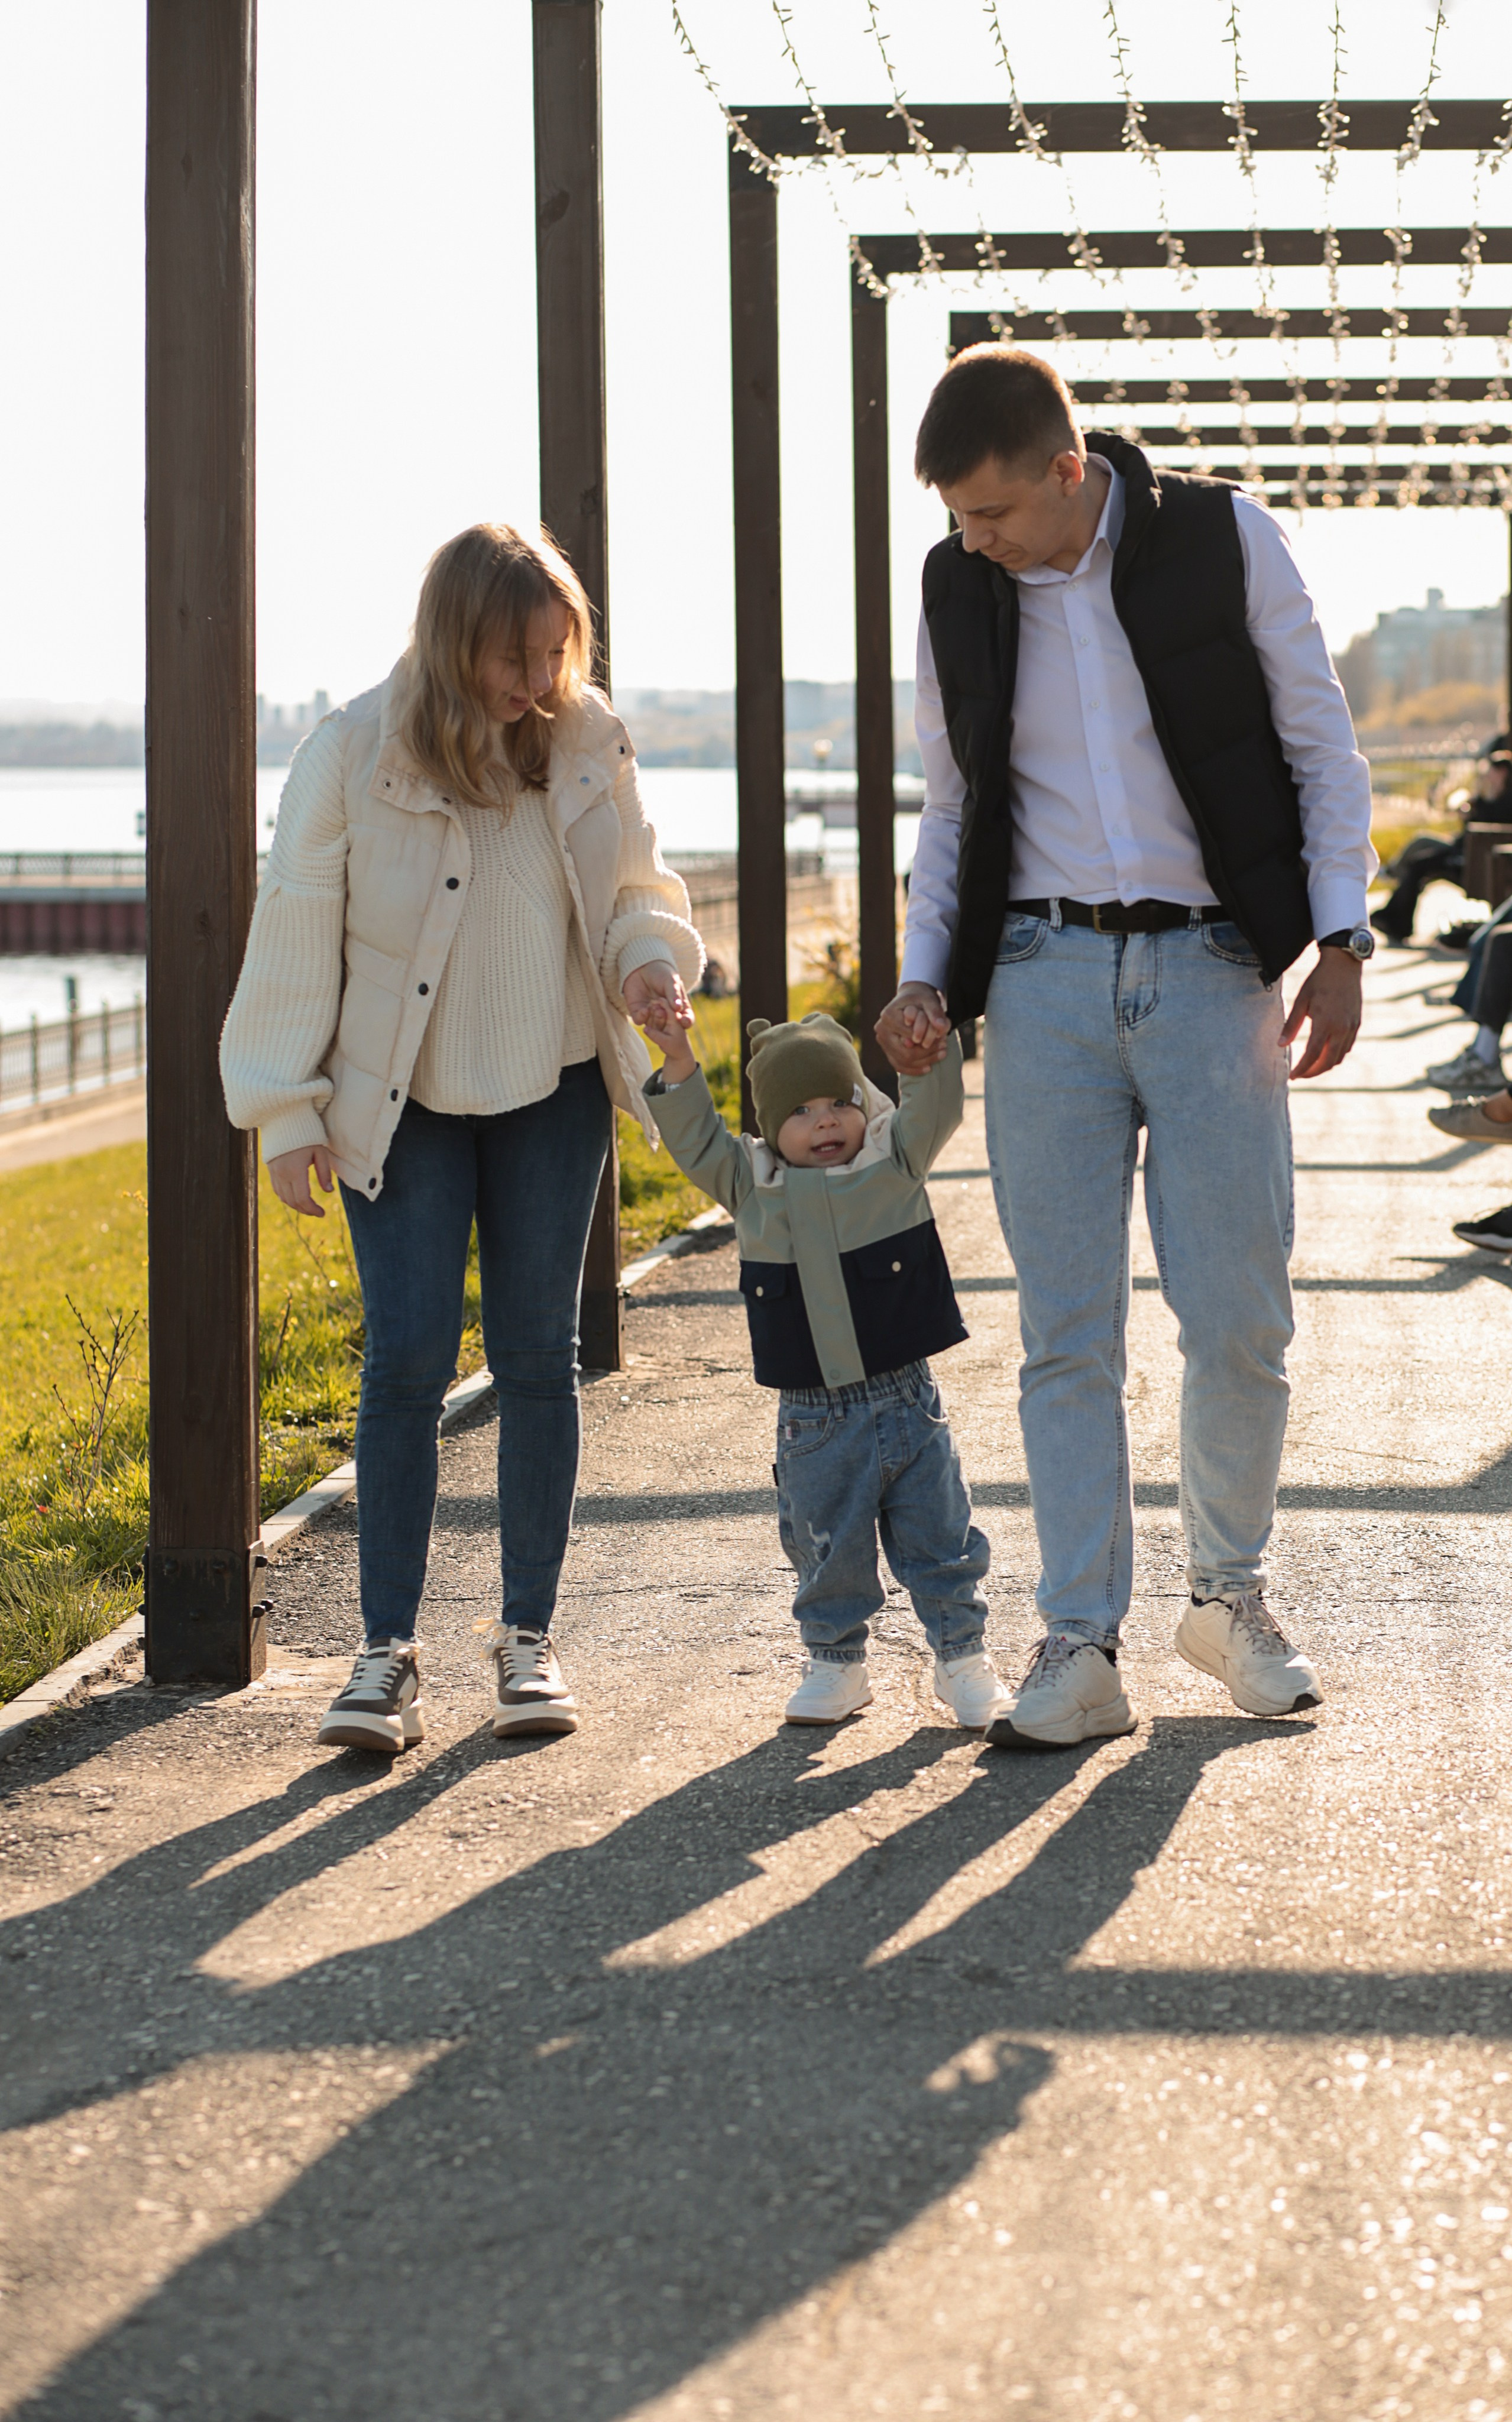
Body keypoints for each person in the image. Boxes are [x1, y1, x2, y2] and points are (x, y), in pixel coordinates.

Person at [875, 345, 1376, 1748]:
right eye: (955, 517)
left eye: (991, 511)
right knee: (1065, 1334)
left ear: (1068, 469)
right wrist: (923, 975)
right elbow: (950, 806)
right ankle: (1078, 1642)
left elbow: (1321, 749)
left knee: (1240, 1316)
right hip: (1039, 980)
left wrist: (1341, 943)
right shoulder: (956, 587)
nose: (973, 538)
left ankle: (1228, 1599)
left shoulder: (1226, 538)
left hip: (1215, 970)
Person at [221, 523, 704, 1754]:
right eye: (512, 657)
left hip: (554, 1090)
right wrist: (284, 1109)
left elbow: (634, 891)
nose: (537, 682)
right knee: (405, 1365)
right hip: (401, 1106)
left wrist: (651, 967)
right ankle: (384, 1655)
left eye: (555, 654)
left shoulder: (586, 738)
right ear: (451, 641)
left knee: (540, 1359)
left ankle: (527, 1638)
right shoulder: (349, 754)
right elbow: (294, 931)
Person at [640, 1003, 1005, 1732]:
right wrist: (678, 1058)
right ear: (770, 1127)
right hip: (812, 1419)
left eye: (840, 1101)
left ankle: (962, 1657)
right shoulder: (750, 1184)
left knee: (941, 1537)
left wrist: (924, 1053)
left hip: (908, 1400)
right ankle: (836, 1664)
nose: (826, 1121)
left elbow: (935, 1105)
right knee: (825, 1547)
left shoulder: (893, 1160)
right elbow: (694, 1137)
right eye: (801, 1111)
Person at [1419, 750, 1512, 1096]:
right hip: (1478, 855)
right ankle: (1482, 1051)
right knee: (1488, 937)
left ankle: (1484, 1056)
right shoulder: (1491, 797)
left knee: (1501, 942)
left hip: (1480, 857)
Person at [1374, 734, 1511, 953]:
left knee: (1420, 861)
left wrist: (1473, 808)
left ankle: (1394, 915)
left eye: (1491, 771)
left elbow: (1478, 826)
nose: (1487, 774)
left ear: (1502, 773)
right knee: (1421, 848)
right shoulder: (1496, 799)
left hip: (1470, 864)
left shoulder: (1499, 803)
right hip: (1472, 860)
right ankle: (1392, 904)